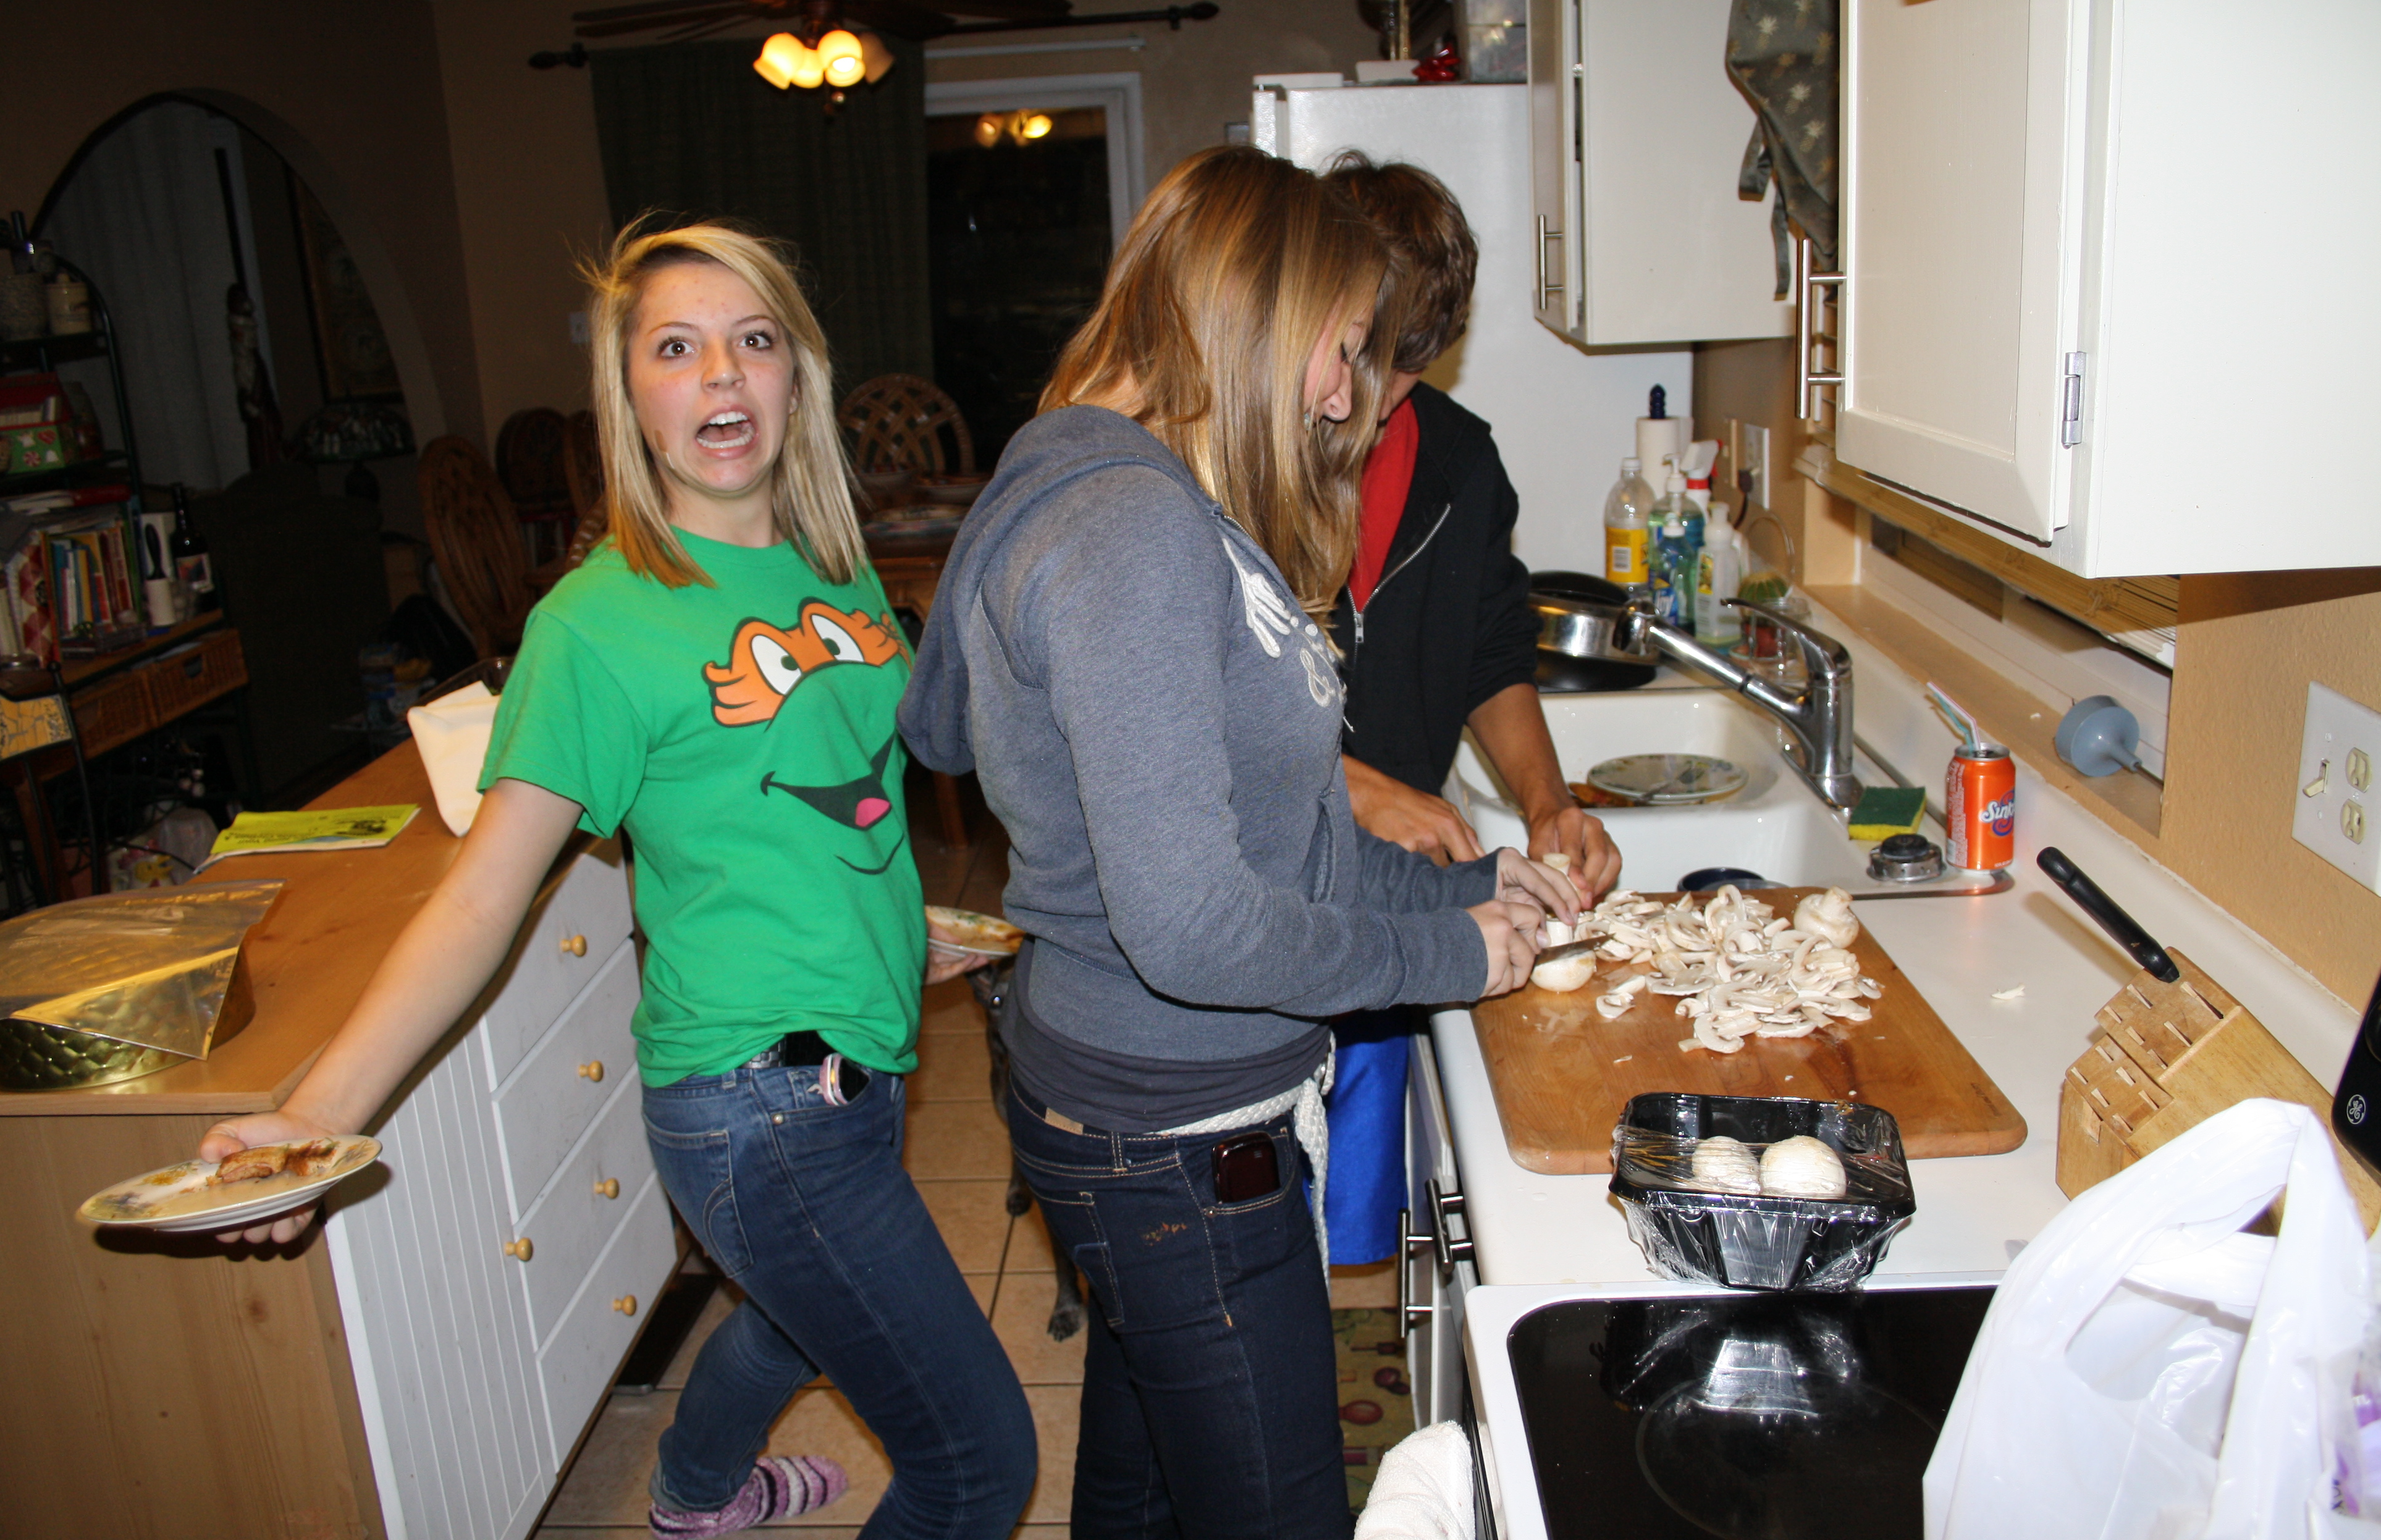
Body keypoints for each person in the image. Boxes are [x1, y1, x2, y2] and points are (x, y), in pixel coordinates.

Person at [197, 220, 1037, 1540]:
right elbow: (480, 898)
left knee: (794, 1320)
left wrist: (890, 917)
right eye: (678, 348)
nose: (722, 374)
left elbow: (815, 795)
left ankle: (696, 1497)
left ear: (797, 376)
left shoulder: (831, 565)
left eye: (754, 340)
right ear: (631, 396)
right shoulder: (595, 624)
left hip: (856, 1061)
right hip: (762, 1103)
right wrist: (313, 1116)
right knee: (979, 1463)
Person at [898, 146, 1582, 1538]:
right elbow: (1195, 926)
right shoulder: (1131, 529)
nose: (1344, 394)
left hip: (1143, 1115)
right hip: (1173, 1140)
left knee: (1143, 1489)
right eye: (1344, 348)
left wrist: (1462, 885)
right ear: (1253, 316)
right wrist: (1449, 954)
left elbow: (1282, 830)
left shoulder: (1105, 479)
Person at [1313, 157, 1626, 1266]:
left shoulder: (1460, 459)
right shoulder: (1240, 460)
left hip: (1396, 899)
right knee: (1243, 1212)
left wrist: (1550, 803)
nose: (1378, 402)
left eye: (1411, 367)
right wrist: (1350, 786)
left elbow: (1494, 652)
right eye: (1367, 359)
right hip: (1270, 882)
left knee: (1353, 1211)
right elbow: (1198, 708)